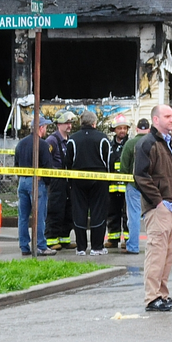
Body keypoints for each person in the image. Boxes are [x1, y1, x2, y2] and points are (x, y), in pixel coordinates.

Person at [133, 104, 172, 312]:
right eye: (167, 116)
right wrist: (158, 202)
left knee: (167, 254)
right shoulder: (148, 144)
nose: (171, 119)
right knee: (156, 252)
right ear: (155, 120)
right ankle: (152, 297)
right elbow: (141, 176)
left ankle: (163, 294)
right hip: (160, 207)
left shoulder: (170, 144)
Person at [66, 110, 112, 256]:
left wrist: (70, 181)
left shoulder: (72, 139)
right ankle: (97, 247)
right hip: (99, 179)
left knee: (79, 211)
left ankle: (80, 247)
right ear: (94, 123)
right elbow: (108, 161)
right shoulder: (103, 138)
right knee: (98, 211)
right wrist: (109, 179)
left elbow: (68, 162)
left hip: (77, 179)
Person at [14, 116, 56, 257]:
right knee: (39, 216)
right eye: (45, 127)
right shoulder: (43, 145)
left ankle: (24, 246)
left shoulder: (21, 144)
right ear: (41, 128)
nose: (46, 130)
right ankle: (40, 246)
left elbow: (16, 165)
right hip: (36, 183)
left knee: (23, 216)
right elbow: (47, 167)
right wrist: (46, 182)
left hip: (22, 182)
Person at [44, 111, 76, 250]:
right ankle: (51, 239)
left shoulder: (69, 140)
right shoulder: (52, 140)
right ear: (59, 124)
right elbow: (45, 159)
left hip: (68, 180)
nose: (69, 125)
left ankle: (64, 238)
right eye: (66, 123)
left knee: (68, 210)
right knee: (55, 209)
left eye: (70, 123)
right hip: (56, 181)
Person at [119, 118, 149, 254]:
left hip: (134, 184)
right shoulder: (154, 143)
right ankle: (156, 246)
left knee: (134, 216)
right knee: (154, 216)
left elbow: (123, 166)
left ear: (137, 129)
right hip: (151, 185)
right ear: (148, 129)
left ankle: (133, 246)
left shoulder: (130, 144)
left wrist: (127, 181)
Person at [105, 114, 131, 249]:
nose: (122, 131)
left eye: (124, 128)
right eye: (119, 128)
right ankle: (113, 239)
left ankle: (127, 240)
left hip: (127, 187)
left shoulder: (130, 145)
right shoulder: (109, 146)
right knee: (112, 213)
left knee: (127, 215)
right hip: (112, 187)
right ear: (114, 130)